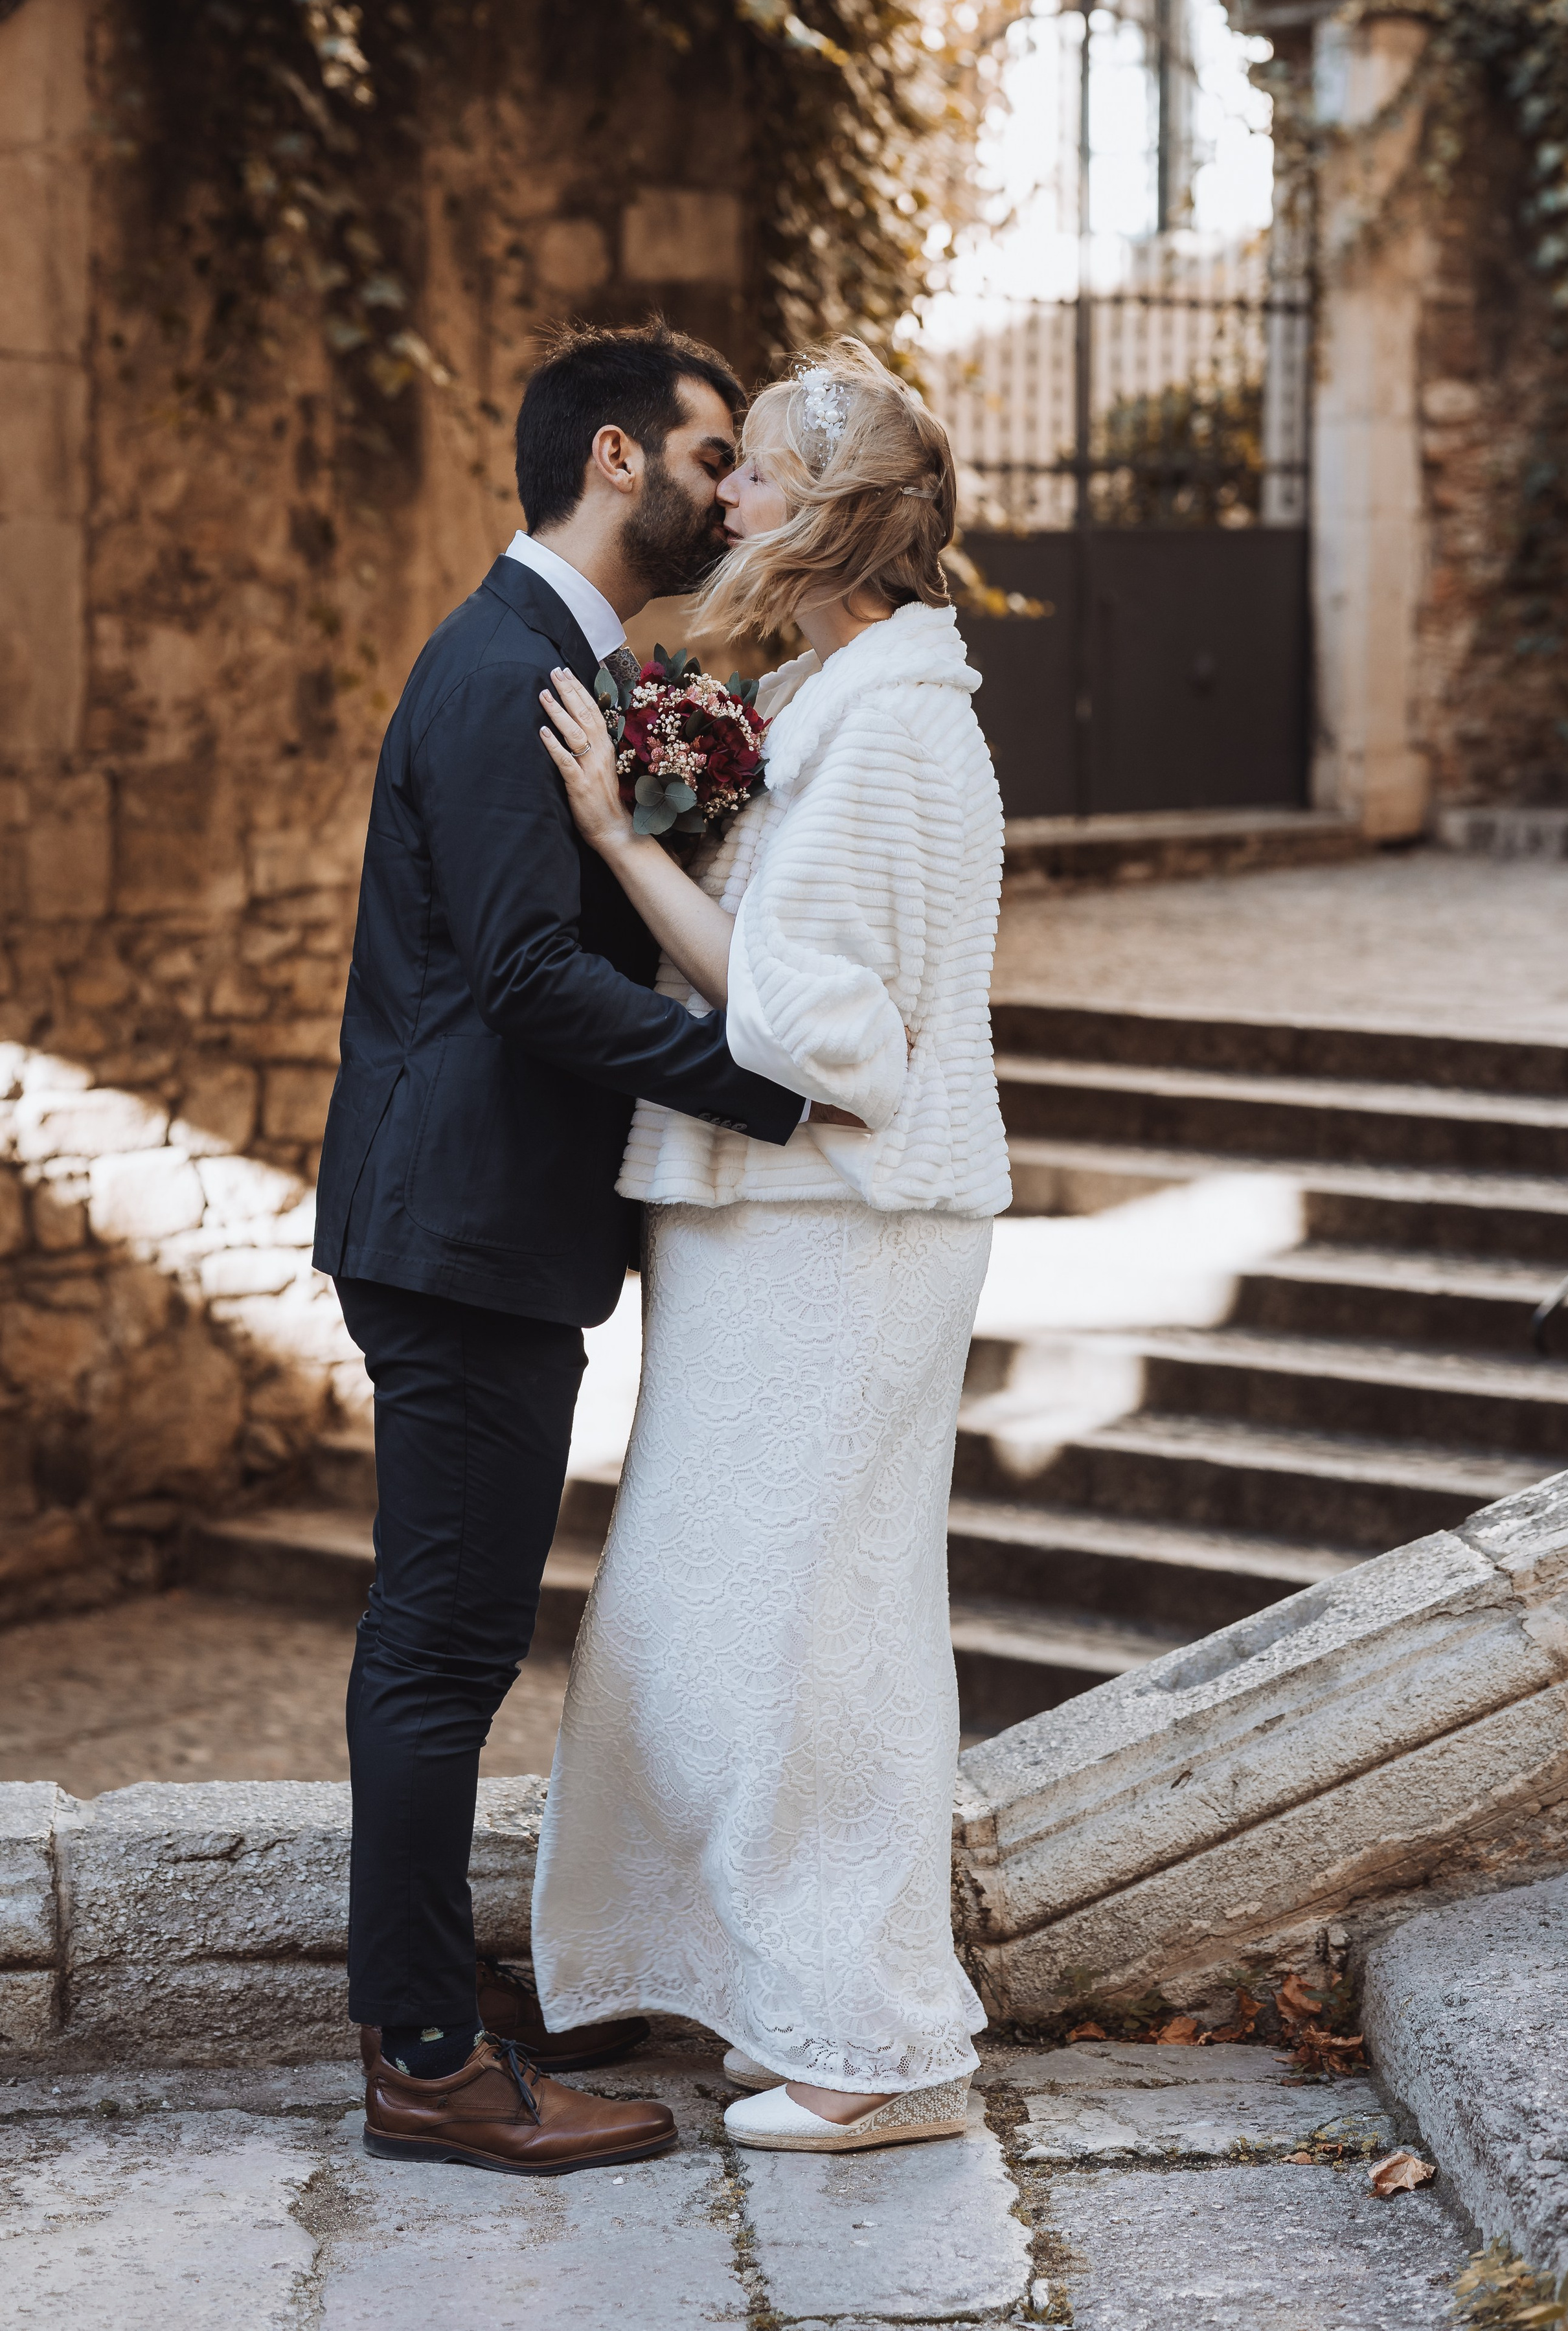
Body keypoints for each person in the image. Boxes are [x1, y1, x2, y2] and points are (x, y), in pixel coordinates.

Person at [312, 323, 822, 2176]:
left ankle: (432, 2002)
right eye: (707, 456)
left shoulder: (567, 664)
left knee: (446, 1641)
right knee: (442, 1651)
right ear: (617, 457)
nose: (724, 490)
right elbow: (524, 981)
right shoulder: (502, 670)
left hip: (476, 1224)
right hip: (457, 1232)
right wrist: (772, 1083)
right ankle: (429, 2062)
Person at [529, 337, 1010, 2154]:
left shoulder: (894, 724)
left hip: (846, 1227)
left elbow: (833, 1040)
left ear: (821, 519)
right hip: (782, 1232)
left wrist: (619, 838)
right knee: (719, 1618)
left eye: (756, 476)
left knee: (821, 1628)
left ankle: (875, 2053)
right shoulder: (843, 696)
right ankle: (783, 1989)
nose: (718, 493)